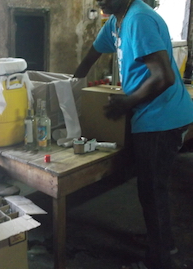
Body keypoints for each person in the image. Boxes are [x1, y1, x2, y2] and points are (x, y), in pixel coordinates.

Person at [73, 0, 193, 268]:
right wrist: (69, 87)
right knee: (152, 188)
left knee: (152, 190)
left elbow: (164, 77)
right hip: (153, 114)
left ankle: (160, 259)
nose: (100, 0)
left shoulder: (138, 19)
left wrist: (126, 103)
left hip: (161, 117)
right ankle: (163, 241)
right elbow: (92, 54)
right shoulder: (117, 20)